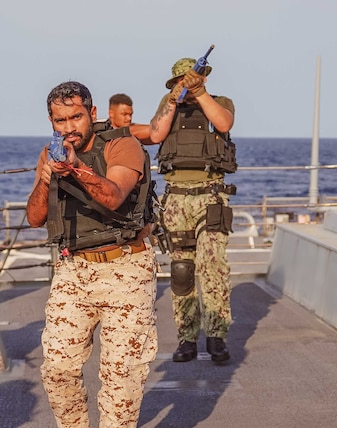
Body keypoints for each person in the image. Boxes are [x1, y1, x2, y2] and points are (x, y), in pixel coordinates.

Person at [26, 81, 158, 427]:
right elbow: (35, 217)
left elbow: (114, 196)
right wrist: (44, 178)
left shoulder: (122, 145)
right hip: (75, 270)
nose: (68, 128)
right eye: (59, 121)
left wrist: (75, 169)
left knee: (121, 379)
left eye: (76, 117)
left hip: (127, 267)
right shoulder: (49, 153)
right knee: (57, 368)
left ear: (92, 113)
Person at [149, 57, 238, 363]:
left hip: (210, 195)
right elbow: (157, 134)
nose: (185, 84)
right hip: (176, 198)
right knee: (182, 271)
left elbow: (224, 123)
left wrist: (199, 92)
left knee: (213, 265)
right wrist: (175, 97)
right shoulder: (168, 104)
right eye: (180, 80)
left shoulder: (219, 102)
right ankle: (187, 337)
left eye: (193, 78)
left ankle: (216, 335)